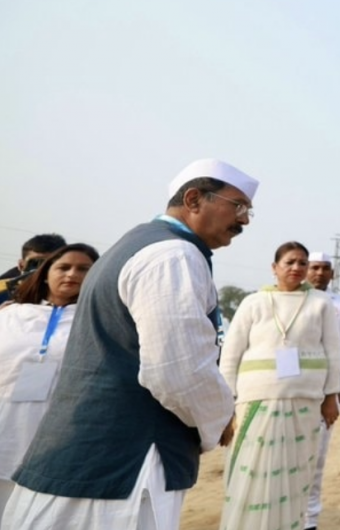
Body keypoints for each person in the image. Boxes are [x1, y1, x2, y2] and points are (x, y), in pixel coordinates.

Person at [3, 158, 257, 530]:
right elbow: (177, 371)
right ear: (193, 199)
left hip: (90, 456)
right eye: (238, 206)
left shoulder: (140, 244)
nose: (245, 220)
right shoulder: (173, 255)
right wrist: (219, 417)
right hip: (124, 463)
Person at [218, 242, 340, 530]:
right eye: (290, 262)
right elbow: (231, 355)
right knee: (252, 474)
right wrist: (227, 404)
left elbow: (334, 353)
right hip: (256, 401)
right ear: (274, 268)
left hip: (305, 401)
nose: (297, 268)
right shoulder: (253, 303)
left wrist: (330, 397)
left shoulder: (321, 304)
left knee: (296, 475)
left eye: (302, 263)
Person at [0, 243, 99, 518]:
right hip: (5, 430)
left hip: (59, 442)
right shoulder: (10, 315)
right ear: (45, 273)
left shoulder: (99, 323)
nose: (72, 274)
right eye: (63, 267)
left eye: (83, 269)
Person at [303, 250, 340, 530]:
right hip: (295, 392)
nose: (319, 273)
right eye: (314, 267)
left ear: (332, 273)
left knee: (317, 458)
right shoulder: (294, 299)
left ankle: (310, 519)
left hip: (327, 394)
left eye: (325, 268)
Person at [0, 233, 66, 304]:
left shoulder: (74, 292)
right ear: (21, 265)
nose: (41, 270)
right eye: (35, 263)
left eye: (50, 264)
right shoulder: (2, 290)